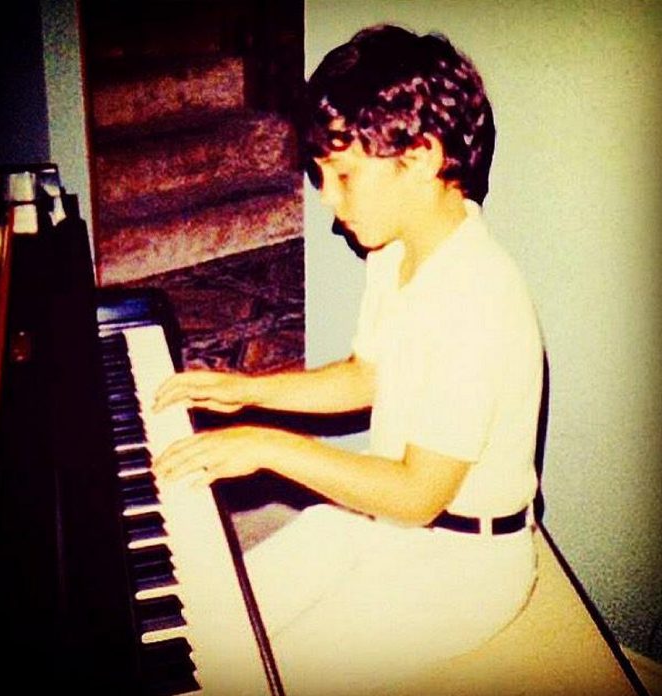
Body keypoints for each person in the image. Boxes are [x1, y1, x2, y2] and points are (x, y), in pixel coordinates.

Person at [152, 24, 544, 696]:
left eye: (342, 175)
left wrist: (268, 446)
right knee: (218, 621)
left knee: (251, 676)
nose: (328, 201)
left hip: (464, 564)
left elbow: (419, 495)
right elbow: (367, 376)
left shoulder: (478, 296)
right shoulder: (395, 250)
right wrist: (248, 391)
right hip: (388, 524)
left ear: (419, 156)